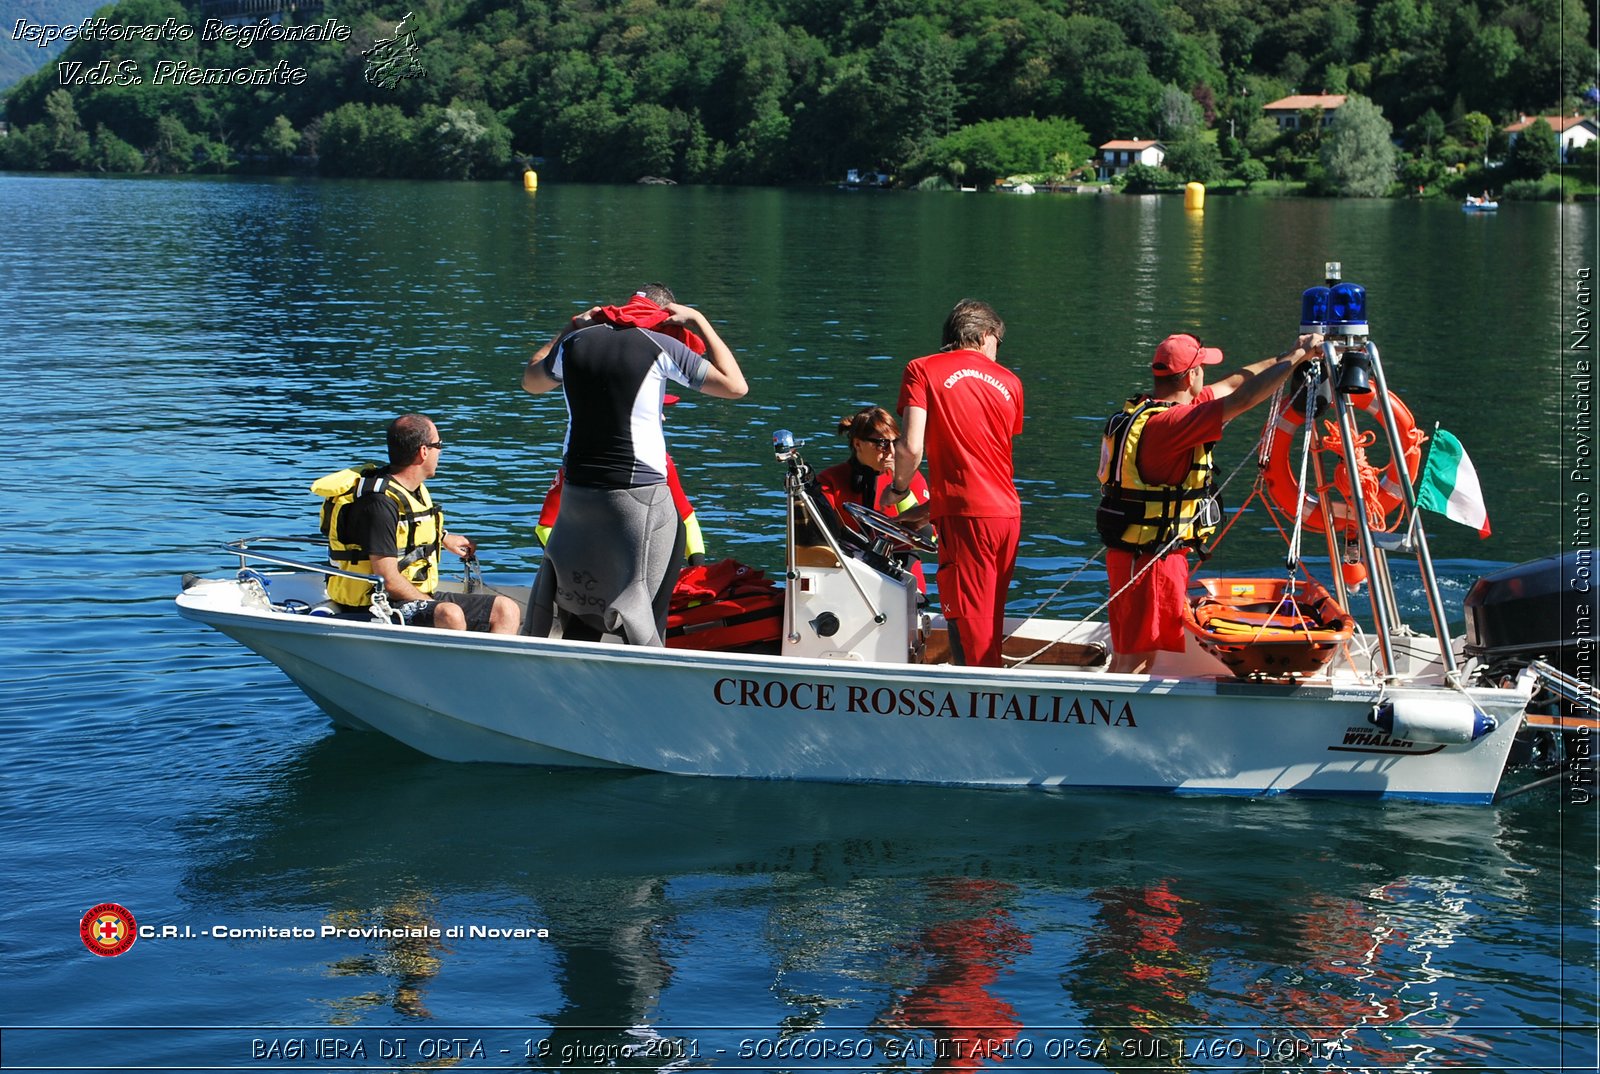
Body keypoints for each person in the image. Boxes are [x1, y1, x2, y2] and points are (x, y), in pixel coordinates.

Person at [520, 283, 747, 645]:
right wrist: (700, 320)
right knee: (650, 608)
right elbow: (736, 387)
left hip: (578, 496)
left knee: (581, 607)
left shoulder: (575, 342)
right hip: (639, 498)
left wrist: (569, 327)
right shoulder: (661, 345)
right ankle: (648, 673)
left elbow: (531, 381)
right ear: (668, 315)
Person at [1097, 331, 1323, 674]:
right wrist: (1297, 360)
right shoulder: (1175, 424)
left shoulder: (1162, 410)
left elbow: (1235, 383)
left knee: (1137, 649)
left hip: (1139, 555)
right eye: (1202, 366)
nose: (1207, 374)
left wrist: (1291, 354)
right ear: (1190, 377)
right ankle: (1121, 723)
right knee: (1137, 657)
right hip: (1149, 561)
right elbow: (1243, 399)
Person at [885, 299, 1024, 667]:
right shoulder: (1011, 382)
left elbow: (911, 447)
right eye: (998, 343)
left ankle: (979, 714)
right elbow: (985, 466)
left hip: (967, 525)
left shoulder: (922, 369)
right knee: (988, 624)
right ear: (983, 336)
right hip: (1006, 517)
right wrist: (926, 512)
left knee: (969, 626)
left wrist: (899, 489)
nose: (997, 352)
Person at [314, 413, 521, 633]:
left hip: (411, 596)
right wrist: (431, 604)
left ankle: (483, 668)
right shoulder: (379, 503)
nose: (440, 451)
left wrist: (444, 538)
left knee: (505, 609)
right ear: (424, 451)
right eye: (438, 445)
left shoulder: (408, 488)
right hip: (379, 604)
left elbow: (407, 531)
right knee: (449, 614)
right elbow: (389, 580)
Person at [533, 397, 708, 567]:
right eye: (654, 411)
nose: (663, 416)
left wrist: (698, 569)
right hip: (596, 573)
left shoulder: (662, 462)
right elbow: (545, 527)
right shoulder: (578, 463)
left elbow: (687, 518)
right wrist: (572, 566)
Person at [814, 405, 932, 590]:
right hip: (850, 576)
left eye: (896, 442)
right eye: (882, 443)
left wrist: (901, 489)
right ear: (857, 443)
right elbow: (817, 540)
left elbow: (928, 537)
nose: (892, 451)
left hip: (903, 575)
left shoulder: (912, 478)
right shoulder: (830, 481)